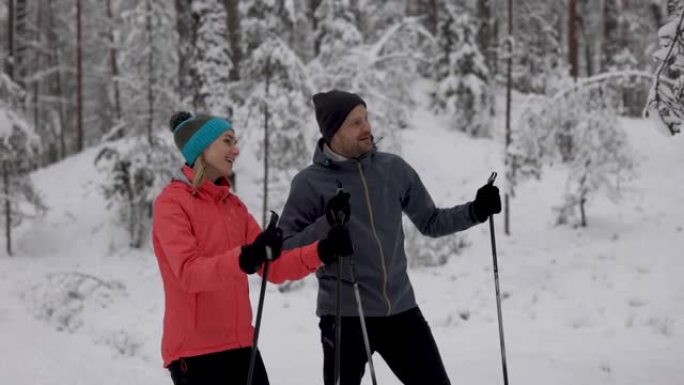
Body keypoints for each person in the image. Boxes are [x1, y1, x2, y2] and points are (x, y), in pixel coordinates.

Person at [278, 90, 502, 385]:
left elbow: (431, 221)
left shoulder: (392, 169)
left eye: (366, 118)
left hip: (401, 310)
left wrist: (475, 210)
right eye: (355, 123)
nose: (367, 127)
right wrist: (326, 226)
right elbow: (284, 250)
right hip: (345, 316)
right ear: (333, 132)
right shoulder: (309, 182)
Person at [152, 111, 353, 385]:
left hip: (242, 348)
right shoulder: (171, 204)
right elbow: (189, 272)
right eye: (227, 141)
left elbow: (274, 266)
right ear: (203, 146)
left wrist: (323, 250)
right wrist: (244, 257)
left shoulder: (233, 207)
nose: (235, 150)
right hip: (196, 356)